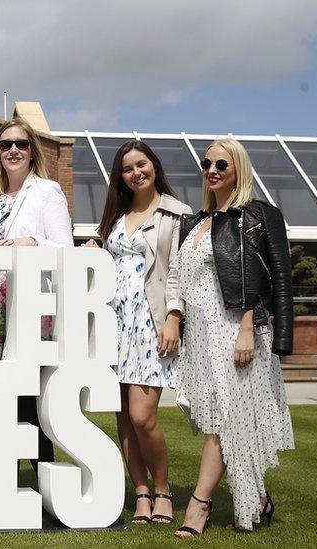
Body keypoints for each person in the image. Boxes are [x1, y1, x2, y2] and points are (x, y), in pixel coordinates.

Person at [173, 138, 294, 537]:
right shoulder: (194, 221)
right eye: (206, 162)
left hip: (237, 332)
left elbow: (274, 277)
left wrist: (248, 329)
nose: (212, 170)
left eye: (222, 164)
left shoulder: (258, 215)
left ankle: (199, 505)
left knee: (224, 421)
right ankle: (258, 499)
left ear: (238, 169)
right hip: (201, 338)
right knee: (225, 421)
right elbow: (181, 278)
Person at [83, 140, 192, 525]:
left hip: (151, 321)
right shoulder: (116, 215)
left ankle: (163, 490)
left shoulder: (176, 214)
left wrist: (174, 317)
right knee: (124, 418)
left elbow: (180, 270)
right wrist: (97, 246)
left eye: (141, 164)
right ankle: (141, 493)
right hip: (114, 323)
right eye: (127, 168)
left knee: (143, 415)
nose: (136, 172)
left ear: (154, 166)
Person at [0, 117, 73, 472]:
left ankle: (44, 473)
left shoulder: (47, 192)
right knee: (1, 394)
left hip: (27, 309)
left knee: (29, 395)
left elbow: (65, 249)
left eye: (21, 144)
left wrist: (34, 242)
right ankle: (4, 476)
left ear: (32, 152)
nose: (13, 150)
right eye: (6, 145)